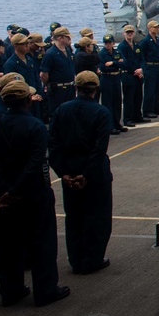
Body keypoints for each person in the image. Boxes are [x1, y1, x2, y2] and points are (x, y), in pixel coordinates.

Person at [0, 79, 70, 307]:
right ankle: (45, 291)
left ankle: (11, 291)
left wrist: (3, 192)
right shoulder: (35, 127)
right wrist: (17, 191)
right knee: (42, 244)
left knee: (8, 247)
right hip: (33, 194)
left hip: (3, 197)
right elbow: (35, 163)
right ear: (27, 100)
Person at [48, 71, 113, 275]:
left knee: (74, 217)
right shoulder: (102, 113)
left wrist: (63, 173)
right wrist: (86, 174)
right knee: (97, 216)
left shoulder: (61, 110)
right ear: (96, 89)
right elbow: (99, 148)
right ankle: (93, 259)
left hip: (69, 172)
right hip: (93, 174)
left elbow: (54, 144)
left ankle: (76, 259)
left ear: (76, 88)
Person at [39, 26, 76, 123]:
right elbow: (44, 74)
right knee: (57, 115)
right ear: (60, 38)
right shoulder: (50, 54)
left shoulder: (67, 51)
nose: (69, 39)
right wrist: (48, 84)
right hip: (58, 89)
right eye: (67, 37)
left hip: (70, 87)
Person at [117, 25, 146, 127]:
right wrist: (135, 71)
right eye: (127, 32)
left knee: (138, 96)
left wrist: (141, 69)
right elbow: (124, 61)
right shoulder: (122, 47)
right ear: (124, 33)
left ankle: (137, 115)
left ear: (134, 33)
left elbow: (142, 59)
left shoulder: (137, 46)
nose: (129, 34)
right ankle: (128, 119)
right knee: (129, 98)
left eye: (131, 32)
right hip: (128, 75)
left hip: (137, 75)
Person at [98, 34, 125, 135]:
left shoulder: (117, 52)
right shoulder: (102, 54)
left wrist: (113, 63)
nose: (108, 45)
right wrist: (117, 63)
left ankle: (117, 123)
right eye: (106, 43)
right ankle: (110, 126)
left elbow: (124, 63)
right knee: (108, 103)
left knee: (117, 102)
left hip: (116, 78)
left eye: (110, 42)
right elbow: (103, 67)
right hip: (107, 78)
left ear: (113, 43)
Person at [139, 21, 159, 118]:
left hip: (157, 66)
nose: (157, 29)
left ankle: (156, 107)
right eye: (155, 27)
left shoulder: (157, 39)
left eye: (158, 27)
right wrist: (143, 68)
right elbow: (141, 55)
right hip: (149, 66)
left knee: (158, 88)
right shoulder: (145, 41)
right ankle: (147, 110)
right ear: (150, 28)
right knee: (149, 89)